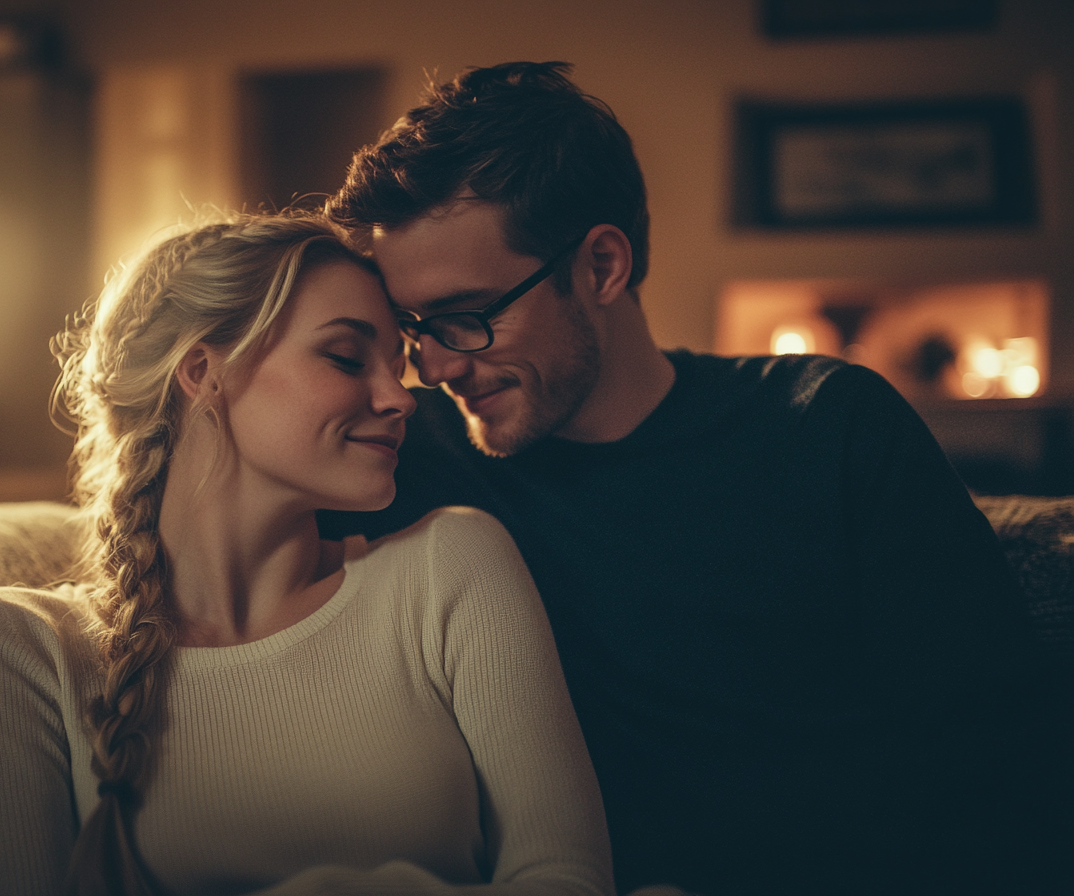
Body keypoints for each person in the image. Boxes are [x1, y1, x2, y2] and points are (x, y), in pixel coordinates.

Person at [319, 62, 1044, 896]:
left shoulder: (831, 429)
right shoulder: (408, 452)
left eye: (468, 316)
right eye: (415, 326)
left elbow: (997, 773)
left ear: (601, 267)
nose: (437, 364)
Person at [0, 213, 615, 896]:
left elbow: (570, 880)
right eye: (346, 358)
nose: (399, 398)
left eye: (397, 369)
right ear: (203, 372)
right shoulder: (13, 649)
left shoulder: (449, 567)